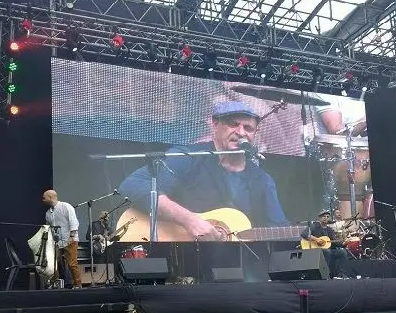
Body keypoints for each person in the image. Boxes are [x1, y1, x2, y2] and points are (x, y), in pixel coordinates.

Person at [118, 101, 289, 241]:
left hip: (233, 269)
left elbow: (279, 229)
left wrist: (308, 234)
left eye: (248, 128)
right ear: (215, 124)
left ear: (255, 134)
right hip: (178, 259)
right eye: (233, 124)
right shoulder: (189, 157)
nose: (241, 132)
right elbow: (133, 185)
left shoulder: (262, 179)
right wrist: (189, 220)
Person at [42, 189, 81, 288]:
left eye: (44, 197)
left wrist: (72, 236)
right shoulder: (48, 213)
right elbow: (49, 228)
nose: (42, 200)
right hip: (57, 242)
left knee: (72, 264)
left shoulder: (65, 206)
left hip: (70, 240)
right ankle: (55, 283)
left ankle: (77, 285)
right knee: (53, 263)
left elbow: (73, 222)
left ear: (50, 197)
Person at [301, 210, 349, 278]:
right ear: (320, 218)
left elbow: (334, 242)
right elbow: (304, 234)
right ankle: (326, 274)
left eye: (327, 216)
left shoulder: (330, 230)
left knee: (342, 252)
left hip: (327, 250)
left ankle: (341, 274)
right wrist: (317, 239)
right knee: (327, 251)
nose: (326, 218)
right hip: (315, 251)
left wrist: (343, 243)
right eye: (324, 216)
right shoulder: (314, 226)